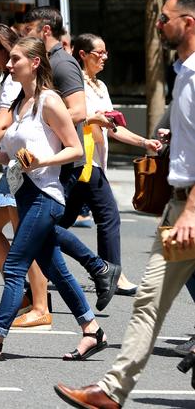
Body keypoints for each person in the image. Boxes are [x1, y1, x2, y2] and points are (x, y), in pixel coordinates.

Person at [54, 0, 195, 407]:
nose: (157, 25)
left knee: (151, 300)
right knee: (149, 300)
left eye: (164, 19)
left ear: (188, 23)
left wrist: (190, 209)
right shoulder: (183, 72)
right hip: (179, 206)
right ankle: (112, 391)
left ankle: (112, 390)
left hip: (188, 209)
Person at [0, 36, 107, 362]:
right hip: (23, 194)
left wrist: (42, 162)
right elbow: (13, 157)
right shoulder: (21, 104)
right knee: (57, 272)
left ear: (34, 63)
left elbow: (74, 149)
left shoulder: (50, 101)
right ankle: (92, 330)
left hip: (45, 196)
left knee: (17, 263)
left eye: (15, 59)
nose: (8, 64)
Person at [24, 6, 121, 311]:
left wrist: (43, 120)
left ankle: (98, 270)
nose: (25, 33)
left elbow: (78, 111)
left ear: (45, 30)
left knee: (39, 229)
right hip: (45, 159)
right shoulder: (46, 61)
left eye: (30, 28)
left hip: (63, 160)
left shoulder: (63, 64)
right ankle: (68, 301)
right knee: (39, 231)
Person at [68, 33, 162, 295]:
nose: (105, 57)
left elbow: (114, 129)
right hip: (81, 160)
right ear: (82, 55)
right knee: (109, 217)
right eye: (99, 53)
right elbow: (74, 119)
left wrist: (145, 142)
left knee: (58, 221)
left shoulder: (101, 87)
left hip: (93, 162)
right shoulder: (76, 86)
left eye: (106, 52)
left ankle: (31, 257)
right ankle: (113, 273)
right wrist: (93, 119)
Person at [0, 23, 53, 330]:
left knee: (25, 238)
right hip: (12, 169)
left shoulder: (16, 82)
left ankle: (40, 305)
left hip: (22, 172)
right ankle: (25, 295)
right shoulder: (12, 81)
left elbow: (3, 121)